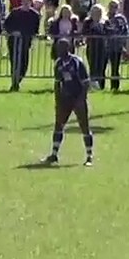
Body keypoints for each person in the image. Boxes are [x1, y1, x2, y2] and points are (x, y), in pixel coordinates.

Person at [43, 38, 94, 167]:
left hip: (78, 97)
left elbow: (86, 83)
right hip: (65, 98)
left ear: (68, 48)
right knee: (58, 125)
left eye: (62, 47)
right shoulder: (58, 64)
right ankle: (54, 154)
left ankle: (89, 156)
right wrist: (57, 101)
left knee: (84, 126)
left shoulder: (77, 62)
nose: (59, 50)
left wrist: (81, 99)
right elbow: (57, 83)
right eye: (58, 48)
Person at [4, 0, 41, 92]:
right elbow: (6, 25)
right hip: (13, 41)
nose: (25, 2)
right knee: (14, 62)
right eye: (23, 0)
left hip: (25, 42)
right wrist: (13, 32)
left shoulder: (35, 15)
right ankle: (14, 83)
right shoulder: (15, 12)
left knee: (24, 64)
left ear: (31, 1)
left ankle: (18, 80)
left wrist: (31, 35)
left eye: (27, 0)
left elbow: (35, 30)